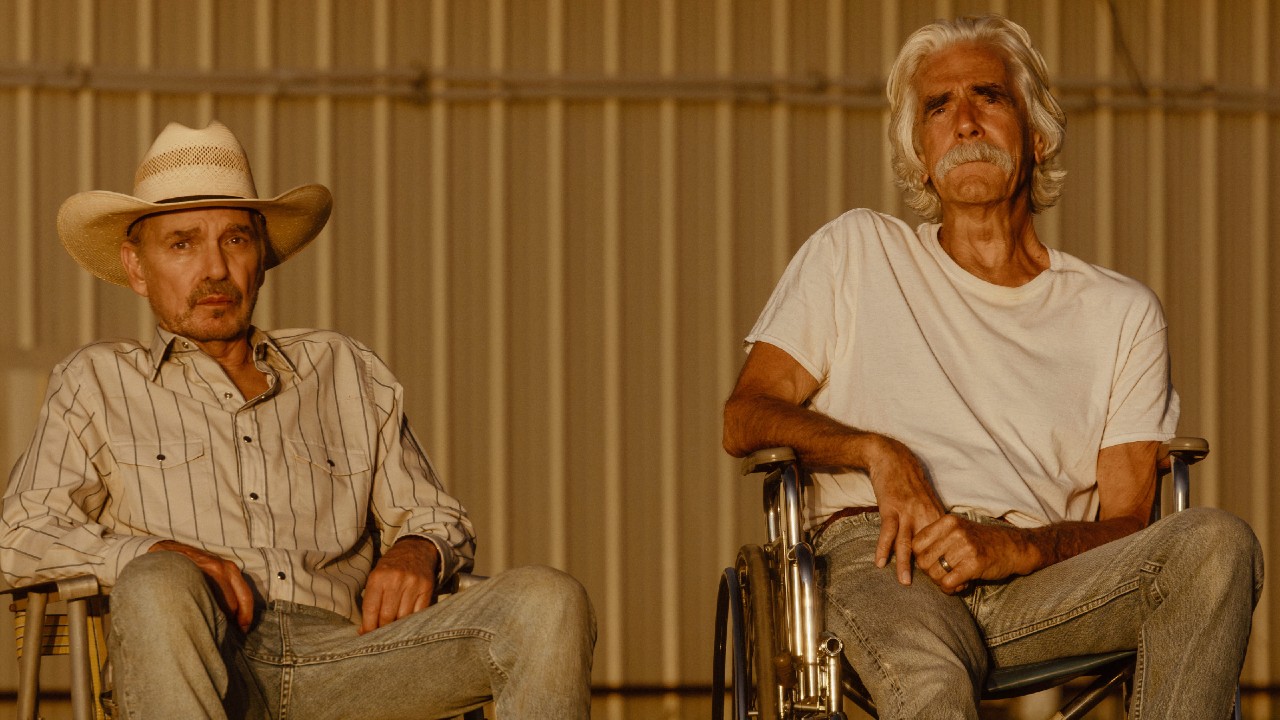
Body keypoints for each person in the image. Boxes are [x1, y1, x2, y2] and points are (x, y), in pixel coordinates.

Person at [722, 15, 1262, 720]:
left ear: (1036, 137)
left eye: (989, 96)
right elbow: (745, 415)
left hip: (1043, 573)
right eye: (938, 107)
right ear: (919, 154)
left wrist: (1017, 547)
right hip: (891, 557)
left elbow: (1131, 523)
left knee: (1216, 544)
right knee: (932, 689)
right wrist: (878, 453)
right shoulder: (856, 252)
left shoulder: (1119, 311)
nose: (966, 121)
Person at [0, 120, 595, 719]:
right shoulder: (97, 380)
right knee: (158, 581)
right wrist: (157, 552)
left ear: (261, 258)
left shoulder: (342, 368)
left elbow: (433, 513)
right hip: (198, 658)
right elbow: (20, 532)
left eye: (233, 240)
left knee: (550, 599)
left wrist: (418, 548)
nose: (213, 269)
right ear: (137, 267)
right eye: (182, 243)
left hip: (351, 657)